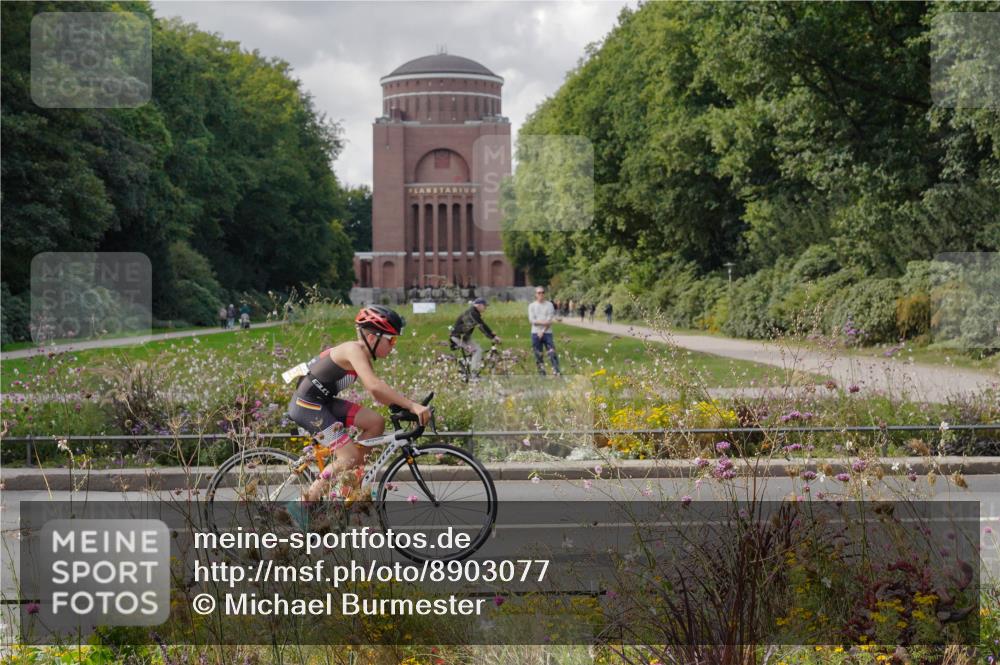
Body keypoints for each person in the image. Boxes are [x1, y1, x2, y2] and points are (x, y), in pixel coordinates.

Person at [286, 305, 431, 503]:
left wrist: (404, 407)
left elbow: (379, 395)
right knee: (349, 456)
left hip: (323, 402)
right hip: (307, 405)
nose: (394, 345)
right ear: (373, 337)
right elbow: (374, 386)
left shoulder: (363, 355)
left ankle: (347, 488)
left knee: (375, 422)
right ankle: (302, 507)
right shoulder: (352, 349)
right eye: (392, 339)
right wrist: (412, 405)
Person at [449, 297, 501, 376]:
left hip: (464, 337)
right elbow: (482, 326)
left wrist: (492, 335)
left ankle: (467, 365)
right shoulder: (472, 314)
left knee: (478, 349)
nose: (486, 308)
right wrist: (493, 337)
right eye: (485, 306)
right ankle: (474, 374)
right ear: (479, 305)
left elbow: (482, 325)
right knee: (477, 351)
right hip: (458, 338)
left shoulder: (474, 313)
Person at [528, 287, 561, 376]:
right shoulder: (532, 306)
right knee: (538, 354)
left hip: (547, 333)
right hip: (535, 333)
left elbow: (549, 320)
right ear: (536, 294)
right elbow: (532, 320)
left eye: (542, 292)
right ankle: (542, 374)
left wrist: (542, 330)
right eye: (539, 293)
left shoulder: (549, 305)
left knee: (552, 353)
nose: (541, 294)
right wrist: (543, 322)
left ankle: (557, 372)